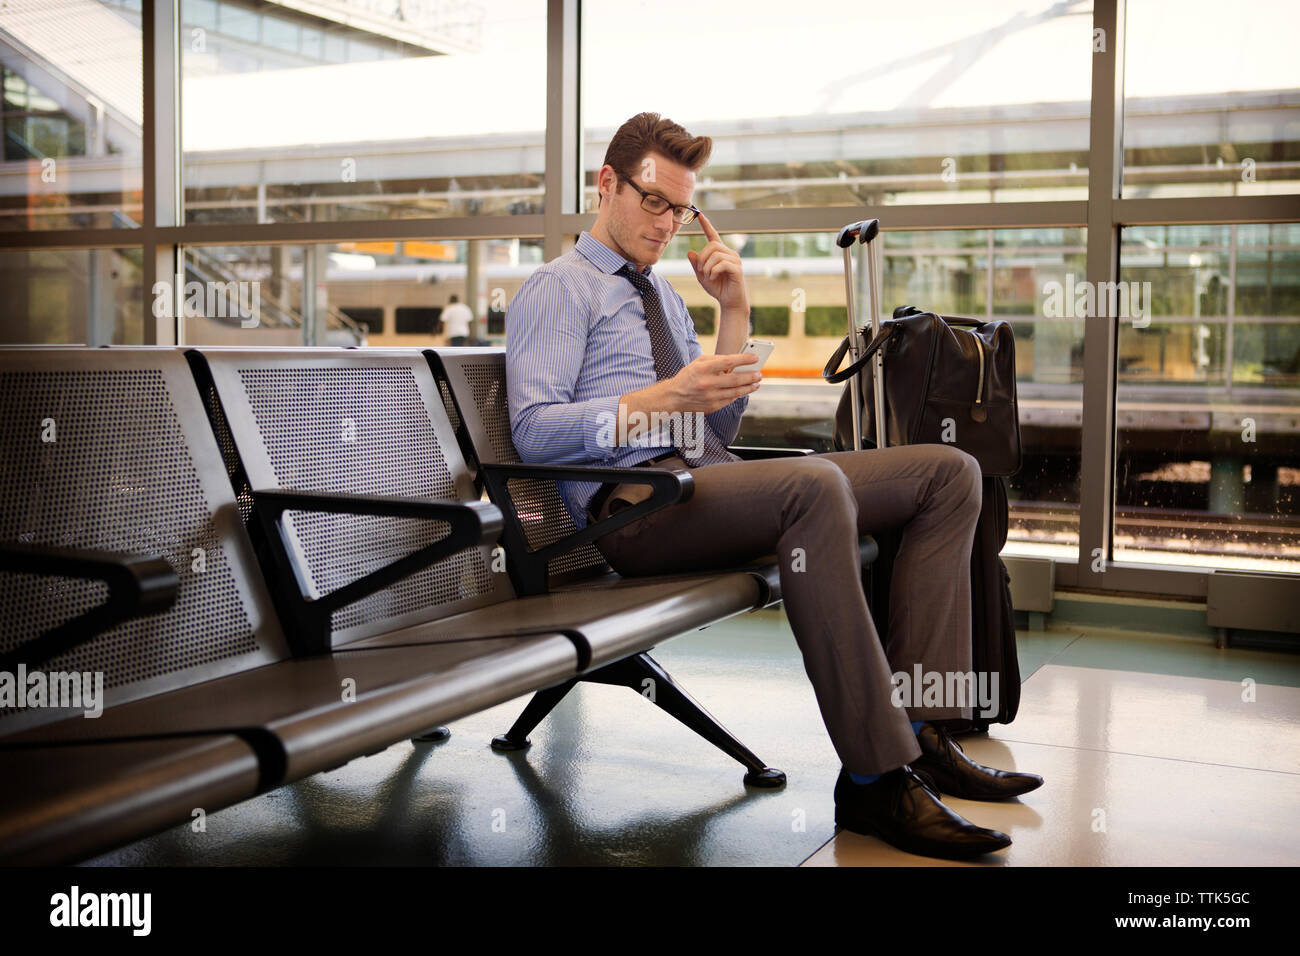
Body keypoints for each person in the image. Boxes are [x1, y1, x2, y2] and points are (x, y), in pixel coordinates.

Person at [506, 112, 1042, 860]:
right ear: (607, 184)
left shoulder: (661, 296)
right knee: (816, 485)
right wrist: (663, 398)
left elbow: (715, 433)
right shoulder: (557, 290)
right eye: (653, 202)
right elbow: (534, 432)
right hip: (630, 512)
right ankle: (872, 780)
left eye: (683, 210)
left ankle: (923, 732)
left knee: (947, 473)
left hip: (703, 483)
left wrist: (734, 309)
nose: (667, 226)